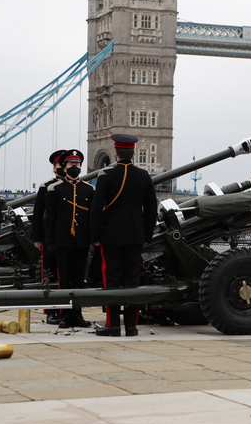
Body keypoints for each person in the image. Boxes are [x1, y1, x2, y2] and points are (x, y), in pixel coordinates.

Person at [91, 134, 158, 337]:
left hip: (111, 236)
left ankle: (112, 326)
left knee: (111, 279)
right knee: (132, 280)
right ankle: (131, 326)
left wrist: (95, 235)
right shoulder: (143, 176)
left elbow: (96, 209)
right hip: (135, 236)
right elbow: (151, 208)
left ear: (116, 152)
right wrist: (146, 234)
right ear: (134, 152)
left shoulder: (106, 176)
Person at [45, 149, 93, 328]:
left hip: (81, 241)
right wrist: (49, 240)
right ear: (64, 168)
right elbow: (50, 217)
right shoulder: (55, 189)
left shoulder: (89, 189)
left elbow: (90, 218)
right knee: (64, 279)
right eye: (71, 164)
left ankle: (78, 314)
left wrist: (92, 240)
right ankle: (65, 314)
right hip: (62, 240)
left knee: (79, 279)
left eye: (77, 164)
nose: (75, 167)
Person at [32, 150, 65, 324]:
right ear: (54, 167)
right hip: (49, 237)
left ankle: (70, 309)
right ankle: (52, 310)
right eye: (60, 165)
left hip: (70, 237)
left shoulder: (78, 186)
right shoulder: (46, 187)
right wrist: (37, 238)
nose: (63, 168)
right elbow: (38, 215)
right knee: (49, 274)